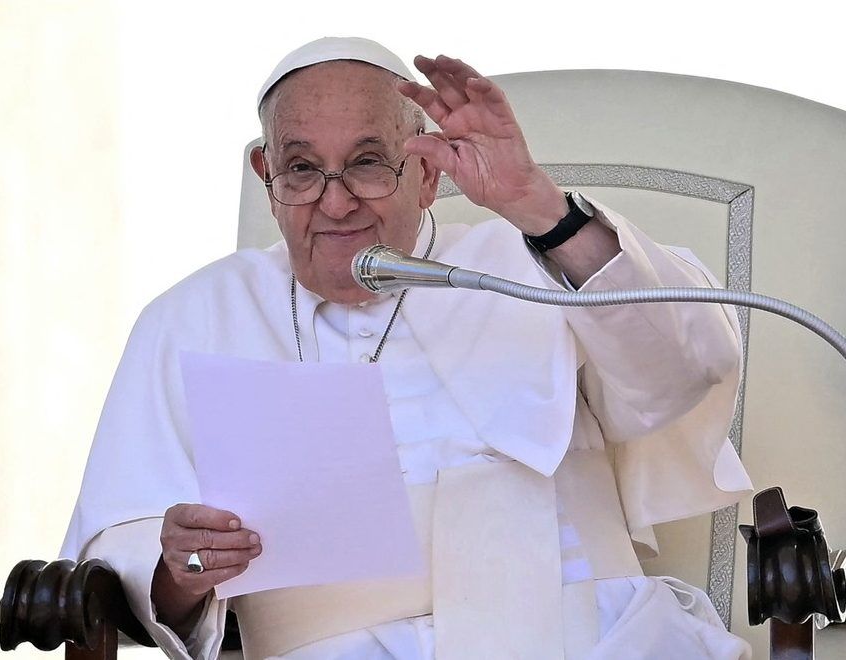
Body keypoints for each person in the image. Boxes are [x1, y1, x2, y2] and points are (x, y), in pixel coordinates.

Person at [61, 37, 754, 659]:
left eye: (368, 165)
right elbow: (119, 552)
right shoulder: (192, 317)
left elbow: (687, 366)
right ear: (265, 175)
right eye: (302, 170)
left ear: (425, 175)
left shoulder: (530, 260)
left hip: (594, 637)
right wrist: (180, 570)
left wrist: (539, 205)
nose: (336, 205)